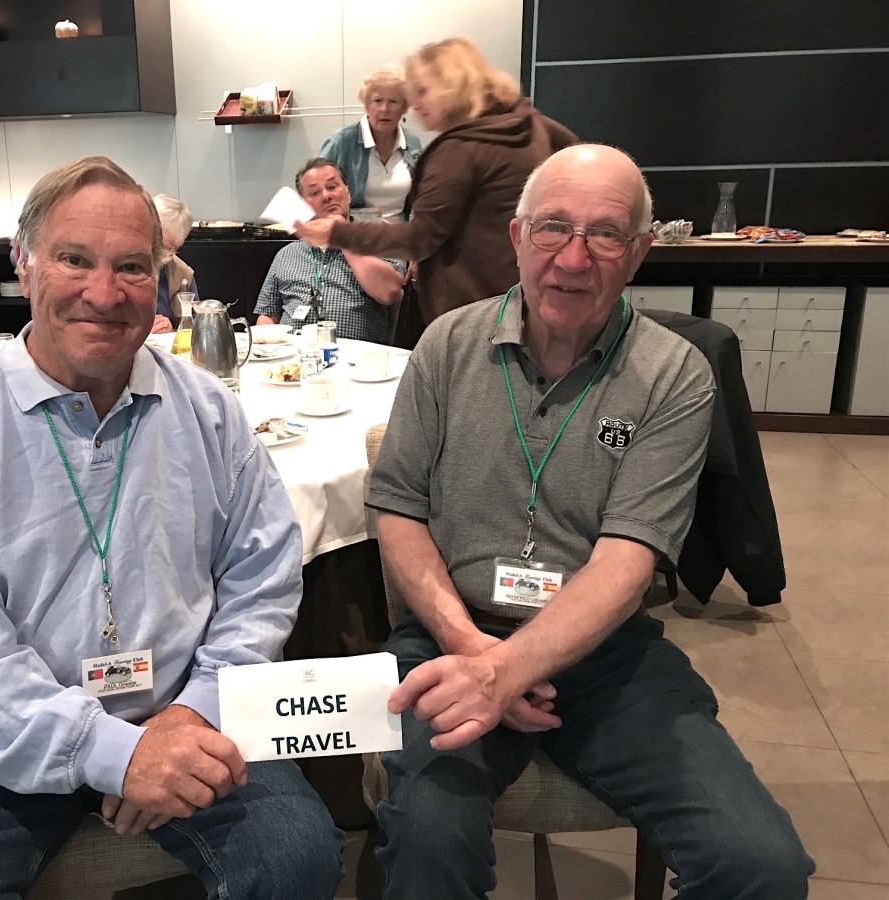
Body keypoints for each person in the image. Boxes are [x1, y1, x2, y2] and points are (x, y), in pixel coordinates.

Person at [0, 156, 344, 898]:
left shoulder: (208, 411)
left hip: (182, 704)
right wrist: (118, 755)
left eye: (131, 267)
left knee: (299, 858)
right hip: (1, 727)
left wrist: (195, 712)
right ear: (23, 262)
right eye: (74, 260)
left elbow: (263, 574)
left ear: (162, 275)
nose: (104, 293)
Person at [366, 144, 813, 898]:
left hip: (605, 650)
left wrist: (509, 670)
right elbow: (400, 507)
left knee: (759, 864)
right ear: (517, 237)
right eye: (553, 227)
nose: (573, 258)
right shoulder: (446, 346)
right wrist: (477, 653)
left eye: (605, 234)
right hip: (454, 632)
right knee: (428, 840)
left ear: (637, 253)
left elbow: (626, 562)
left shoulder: (674, 374)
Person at [297, 37, 576, 348]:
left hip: (474, 308)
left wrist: (337, 233)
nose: (413, 104)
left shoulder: (460, 149)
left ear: (451, 85)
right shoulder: (529, 124)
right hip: (524, 293)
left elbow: (420, 237)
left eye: (421, 91)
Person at [254, 159, 404, 344]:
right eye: (315, 192)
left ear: (348, 193)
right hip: (293, 355)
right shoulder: (286, 254)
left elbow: (389, 292)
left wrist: (343, 236)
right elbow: (267, 315)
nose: (326, 196)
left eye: (332, 186)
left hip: (353, 357)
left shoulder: (379, 241)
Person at [320, 64, 423, 223]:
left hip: (401, 235)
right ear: (366, 105)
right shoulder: (341, 142)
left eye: (393, 101)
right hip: (355, 234)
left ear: (404, 108)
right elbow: (317, 193)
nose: (384, 109)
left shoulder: (412, 142)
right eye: (378, 100)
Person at [151, 193, 200, 335]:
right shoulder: (117, 265)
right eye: (154, 239)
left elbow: (196, 327)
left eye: (166, 248)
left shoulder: (183, 274)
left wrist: (171, 329)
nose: (155, 250)